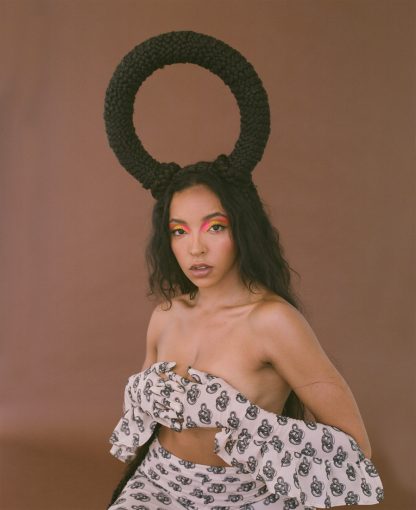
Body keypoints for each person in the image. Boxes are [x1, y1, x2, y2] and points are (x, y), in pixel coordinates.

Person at [104, 31, 384, 509]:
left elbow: (354, 449)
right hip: (156, 485)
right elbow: (148, 424)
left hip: (242, 498)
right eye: (179, 231)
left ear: (242, 228)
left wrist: (250, 429)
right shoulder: (166, 315)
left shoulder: (273, 322)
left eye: (214, 227)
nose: (195, 247)